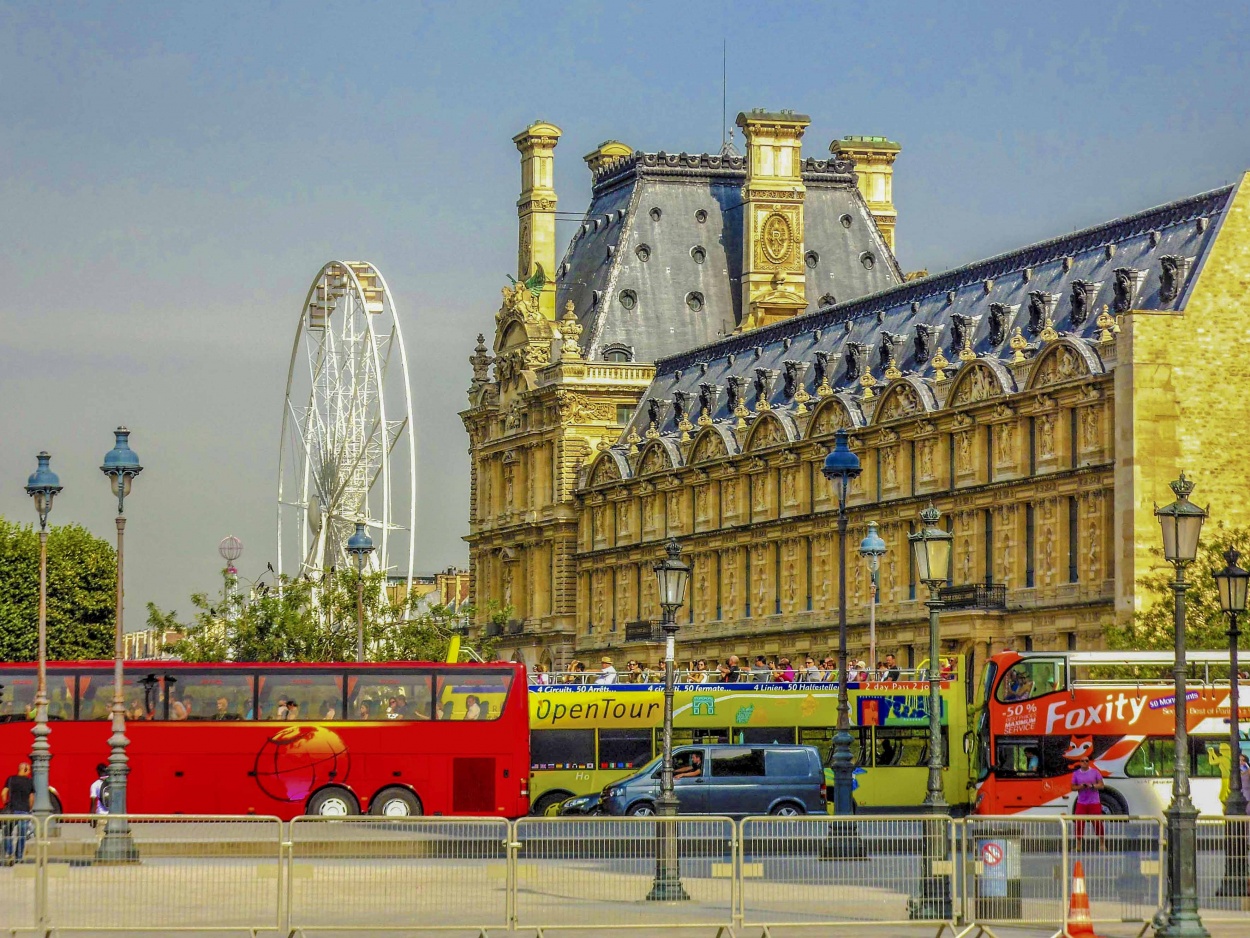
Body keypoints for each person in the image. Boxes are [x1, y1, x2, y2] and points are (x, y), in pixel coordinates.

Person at [1, 761, 34, 863]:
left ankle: (9, 853)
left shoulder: (10, 779)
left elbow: (3, 793)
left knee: (7, 833)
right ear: (25, 770)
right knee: (21, 835)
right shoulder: (29, 782)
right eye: (28, 770)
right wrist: (29, 808)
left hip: (12, 811)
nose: (29, 772)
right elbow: (31, 798)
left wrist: (6, 803)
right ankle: (18, 857)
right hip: (24, 811)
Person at [1070, 755, 1105, 847]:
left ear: (1089, 762)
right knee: (1079, 823)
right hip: (1081, 802)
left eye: (1086, 761)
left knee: (1098, 823)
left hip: (1094, 802)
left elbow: (1101, 785)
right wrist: (1081, 787)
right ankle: (1078, 845)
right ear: (1080, 762)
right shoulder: (1076, 774)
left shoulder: (1095, 772)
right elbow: (1072, 787)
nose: (1085, 762)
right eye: (1082, 761)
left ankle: (1102, 844)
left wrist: (1092, 786)